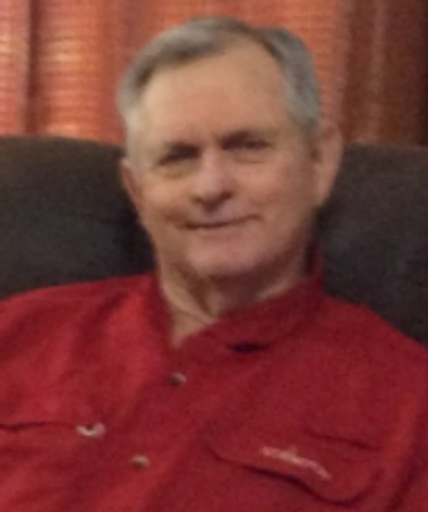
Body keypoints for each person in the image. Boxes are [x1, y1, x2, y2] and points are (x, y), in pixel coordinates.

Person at [0, 16, 427, 512]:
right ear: (137, 191)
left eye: (247, 147)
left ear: (319, 161)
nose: (210, 187)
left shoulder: (407, 403)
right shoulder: (18, 333)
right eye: (177, 157)